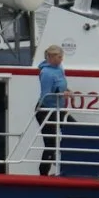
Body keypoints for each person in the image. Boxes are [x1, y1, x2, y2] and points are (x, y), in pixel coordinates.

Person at [35, 45, 68, 176]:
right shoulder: (46, 73)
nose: (61, 59)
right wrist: (62, 94)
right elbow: (46, 96)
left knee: (72, 129)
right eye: (59, 57)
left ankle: (60, 162)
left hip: (58, 109)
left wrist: (66, 90)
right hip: (46, 111)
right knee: (50, 143)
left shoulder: (59, 69)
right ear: (52, 57)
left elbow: (59, 85)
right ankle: (43, 173)